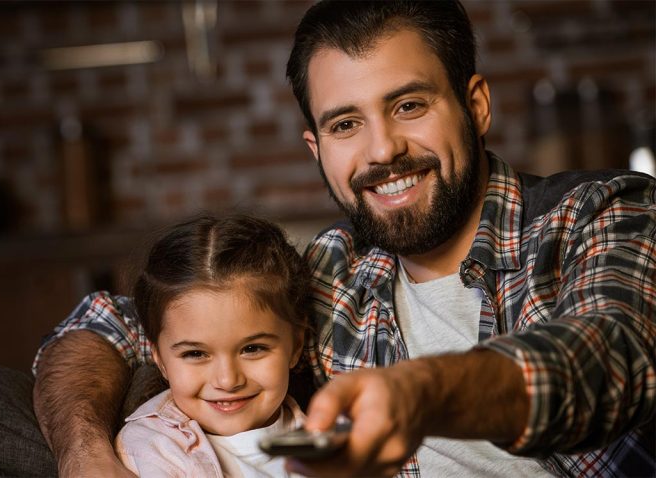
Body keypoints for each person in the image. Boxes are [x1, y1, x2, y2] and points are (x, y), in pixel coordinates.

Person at [32, 1, 656, 477]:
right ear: (317, 148)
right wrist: (84, 451)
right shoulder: (335, 271)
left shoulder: (600, 215)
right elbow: (116, 321)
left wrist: (423, 392)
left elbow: (606, 360)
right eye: (346, 123)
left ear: (477, 105)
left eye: (409, 105)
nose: (382, 150)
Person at [114, 214, 313, 477]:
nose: (228, 380)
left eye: (252, 349)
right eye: (195, 353)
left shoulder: (330, 441)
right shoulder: (151, 451)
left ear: (296, 345)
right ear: (161, 360)